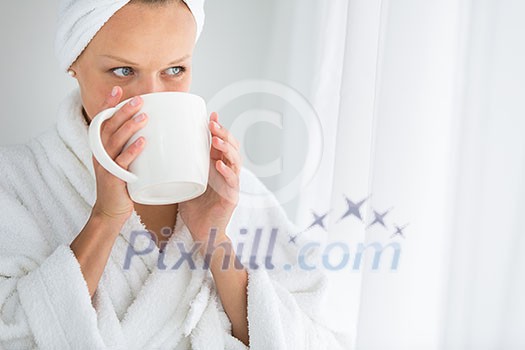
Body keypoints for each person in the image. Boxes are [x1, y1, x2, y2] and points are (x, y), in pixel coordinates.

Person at [0, 0, 349, 349]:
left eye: (175, 70)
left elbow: (321, 336)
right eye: (123, 71)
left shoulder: (228, 188)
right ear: (74, 64)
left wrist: (216, 239)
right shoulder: (16, 181)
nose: (152, 96)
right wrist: (105, 219)